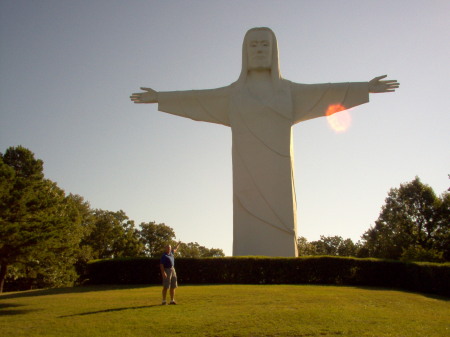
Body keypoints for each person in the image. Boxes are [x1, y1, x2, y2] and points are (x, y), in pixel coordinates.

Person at [131, 27, 399, 257]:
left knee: (282, 220)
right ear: (244, 52)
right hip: (246, 175)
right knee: (247, 216)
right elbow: (197, 99)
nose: (259, 49)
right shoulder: (232, 95)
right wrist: (160, 98)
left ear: (274, 51)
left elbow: (327, 92)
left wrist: (365, 88)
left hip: (278, 174)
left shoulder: (289, 92)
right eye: (253, 45)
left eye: (265, 44)